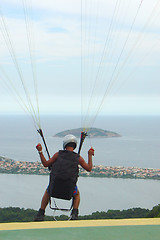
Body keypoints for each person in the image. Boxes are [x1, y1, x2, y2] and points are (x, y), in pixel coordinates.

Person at [34, 134, 94, 221]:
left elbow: (45, 164)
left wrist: (40, 151)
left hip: (54, 187)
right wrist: (89, 155)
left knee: (47, 192)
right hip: (69, 188)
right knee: (77, 195)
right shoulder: (78, 158)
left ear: (65, 144)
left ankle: (41, 213)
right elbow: (89, 168)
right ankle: (74, 214)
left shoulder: (58, 154)